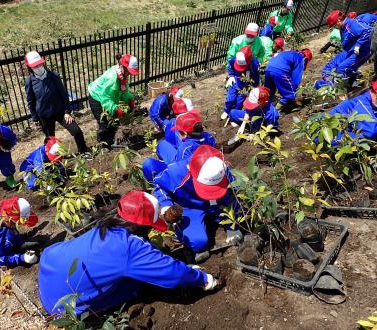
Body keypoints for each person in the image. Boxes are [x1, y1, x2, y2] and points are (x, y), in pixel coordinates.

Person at [38, 191, 219, 315]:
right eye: (149, 227)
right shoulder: (129, 247)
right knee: (136, 284)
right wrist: (202, 279)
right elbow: (174, 274)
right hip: (62, 307)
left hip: (49, 267)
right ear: (140, 225)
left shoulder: (106, 224)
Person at [153, 145, 242, 260]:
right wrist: (166, 205)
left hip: (218, 204)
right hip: (190, 207)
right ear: (192, 172)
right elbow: (159, 185)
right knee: (199, 243)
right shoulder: (176, 173)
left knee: (239, 215)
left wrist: (233, 226)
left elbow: (233, 195)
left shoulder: (220, 168)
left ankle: (220, 220)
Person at [24, 51, 88, 154]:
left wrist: (67, 111)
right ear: (30, 67)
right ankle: (53, 161)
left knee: (76, 131)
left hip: (60, 112)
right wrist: (35, 118)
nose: (38, 67)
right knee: (50, 140)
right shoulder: (30, 82)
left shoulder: (53, 76)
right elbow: (30, 101)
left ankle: (84, 152)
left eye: (39, 64)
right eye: (35, 66)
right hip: (44, 116)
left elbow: (64, 95)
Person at [142, 110, 216, 182]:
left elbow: (179, 172)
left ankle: (156, 184)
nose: (177, 134)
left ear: (185, 133)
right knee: (162, 144)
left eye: (178, 132)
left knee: (149, 164)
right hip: (206, 170)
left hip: (186, 178)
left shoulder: (185, 149)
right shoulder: (209, 137)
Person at [88, 54, 138, 147]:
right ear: (123, 67)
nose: (130, 74)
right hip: (96, 96)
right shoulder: (112, 79)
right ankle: (103, 146)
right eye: (129, 71)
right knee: (104, 122)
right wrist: (116, 109)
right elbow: (106, 99)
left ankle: (110, 141)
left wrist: (129, 99)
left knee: (114, 121)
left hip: (107, 97)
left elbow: (123, 91)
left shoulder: (122, 75)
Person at [314, 10, 373, 89]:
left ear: (338, 21)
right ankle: (330, 82)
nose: (334, 27)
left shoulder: (351, 24)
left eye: (334, 25)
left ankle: (349, 86)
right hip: (349, 51)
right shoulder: (343, 27)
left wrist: (358, 45)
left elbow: (368, 31)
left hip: (361, 52)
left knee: (342, 68)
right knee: (328, 68)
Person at [329, 74, 377, 141]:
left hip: (340, 130)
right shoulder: (362, 102)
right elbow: (373, 130)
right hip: (332, 133)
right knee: (363, 140)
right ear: (376, 94)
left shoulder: (367, 96)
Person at [222, 46, 260, 121]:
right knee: (230, 98)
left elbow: (256, 77)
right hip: (236, 80)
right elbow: (230, 67)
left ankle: (234, 114)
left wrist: (254, 87)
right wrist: (231, 76)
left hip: (246, 85)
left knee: (240, 100)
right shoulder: (234, 59)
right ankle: (226, 110)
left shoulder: (254, 64)